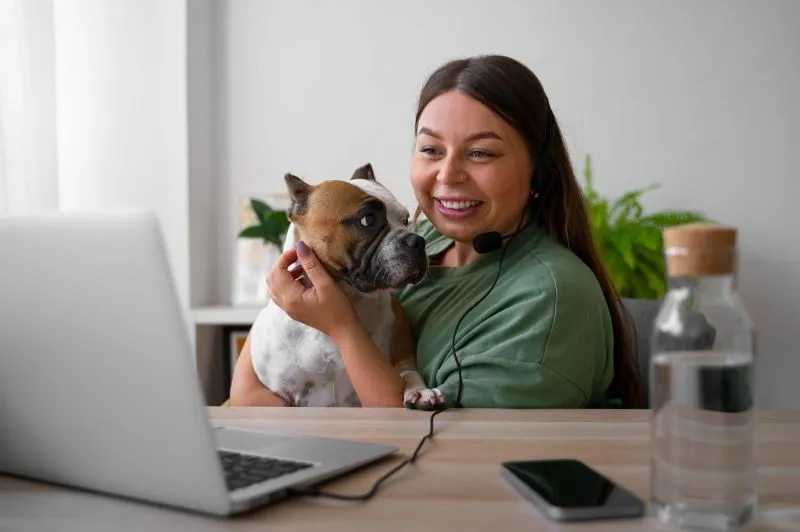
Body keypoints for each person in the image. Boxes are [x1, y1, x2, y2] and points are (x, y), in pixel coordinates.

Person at [229, 54, 644, 409]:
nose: (448, 174)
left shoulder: (548, 300)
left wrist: (341, 328)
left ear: (538, 171)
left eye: (480, 152)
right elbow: (248, 397)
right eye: (430, 149)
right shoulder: (422, 244)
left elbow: (428, 446)